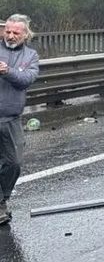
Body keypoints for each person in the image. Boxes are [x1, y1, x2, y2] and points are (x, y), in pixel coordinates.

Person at [0, 14, 40, 225]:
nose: (10, 35)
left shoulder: (31, 56)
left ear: (25, 34)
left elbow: (26, 80)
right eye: (7, 31)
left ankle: (4, 196)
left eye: (16, 32)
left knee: (13, 163)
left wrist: (7, 71)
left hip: (11, 118)